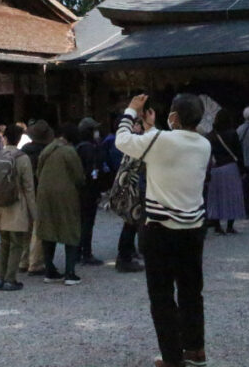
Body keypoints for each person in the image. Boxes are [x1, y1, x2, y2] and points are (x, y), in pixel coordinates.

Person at [117, 94, 212, 367]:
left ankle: (172, 358)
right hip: (193, 227)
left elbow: (123, 141)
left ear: (175, 117)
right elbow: (166, 146)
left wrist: (131, 111)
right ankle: (195, 350)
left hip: (160, 229)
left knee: (161, 297)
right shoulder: (203, 144)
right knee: (192, 291)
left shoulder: (161, 141)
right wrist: (152, 129)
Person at [0, 122, 36, 291]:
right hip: (15, 204)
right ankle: (10, 278)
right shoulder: (22, 158)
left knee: (4, 241)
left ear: (5, 138)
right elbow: (28, 187)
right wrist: (33, 213)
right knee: (16, 243)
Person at [36, 122, 85, 285]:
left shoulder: (47, 149)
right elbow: (78, 176)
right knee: (70, 229)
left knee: (47, 230)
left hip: (44, 193)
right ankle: (70, 273)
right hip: (65, 194)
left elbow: (38, 172)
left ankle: (49, 270)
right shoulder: (69, 151)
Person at [109, 114, 145, 274]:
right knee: (131, 223)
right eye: (136, 124)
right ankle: (124, 257)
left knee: (130, 223)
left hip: (130, 186)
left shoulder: (130, 143)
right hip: (133, 188)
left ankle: (126, 254)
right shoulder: (134, 143)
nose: (139, 127)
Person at [19, 120, 53, 276]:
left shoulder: (25, 150)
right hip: (41, 190)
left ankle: (22, 260)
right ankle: (36, 262)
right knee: (38, 229)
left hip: (25, 191)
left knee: (26, 227)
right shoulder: (49, 151)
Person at [206, 109, 244, 235]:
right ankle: (230, 225)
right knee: (232, 196)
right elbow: (239, 153)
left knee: (215, 197)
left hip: (215, 168)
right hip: (230, 167)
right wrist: (243, 169)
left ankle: (217, 226)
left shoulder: (211, 135)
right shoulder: (232, 133)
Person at [76, 117, 105, 266]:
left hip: (81, 190)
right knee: (87, 222)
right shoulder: (89, 148)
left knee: (81, 222)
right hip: (89, 190)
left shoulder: (80, 147)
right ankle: (86, 253)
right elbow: (93, 171)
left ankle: (77, 252)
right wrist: (97, 189)